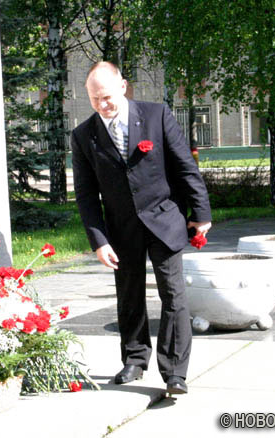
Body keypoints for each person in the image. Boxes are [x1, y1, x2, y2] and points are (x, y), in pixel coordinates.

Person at [70, 61, 211, 395]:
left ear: (123, 86)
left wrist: (200, 212)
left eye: (107, 96)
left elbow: (185, 167)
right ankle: (134, 359)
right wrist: (99, 240)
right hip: (121, 228)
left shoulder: (156, 115)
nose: (102, 104)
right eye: (94, 99)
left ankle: (175, 373)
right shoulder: (83, 136)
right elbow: (86, 194)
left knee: (173, 295)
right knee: (129, 295)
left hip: (164, 218)